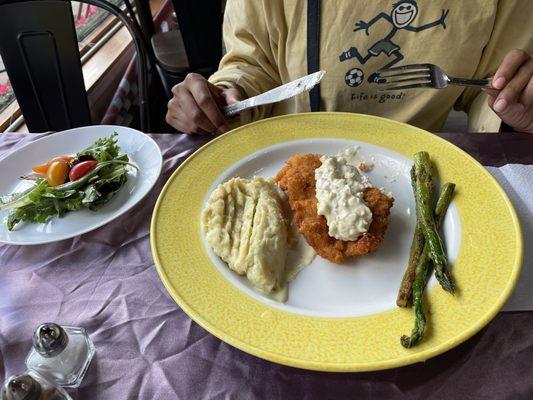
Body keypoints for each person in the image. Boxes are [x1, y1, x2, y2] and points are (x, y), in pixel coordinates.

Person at [165, 0, 533, 134]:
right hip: (281, 152)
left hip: (413, 165)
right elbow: (253, 60)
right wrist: (224, 96)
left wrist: (518, 111)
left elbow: (491, 90)